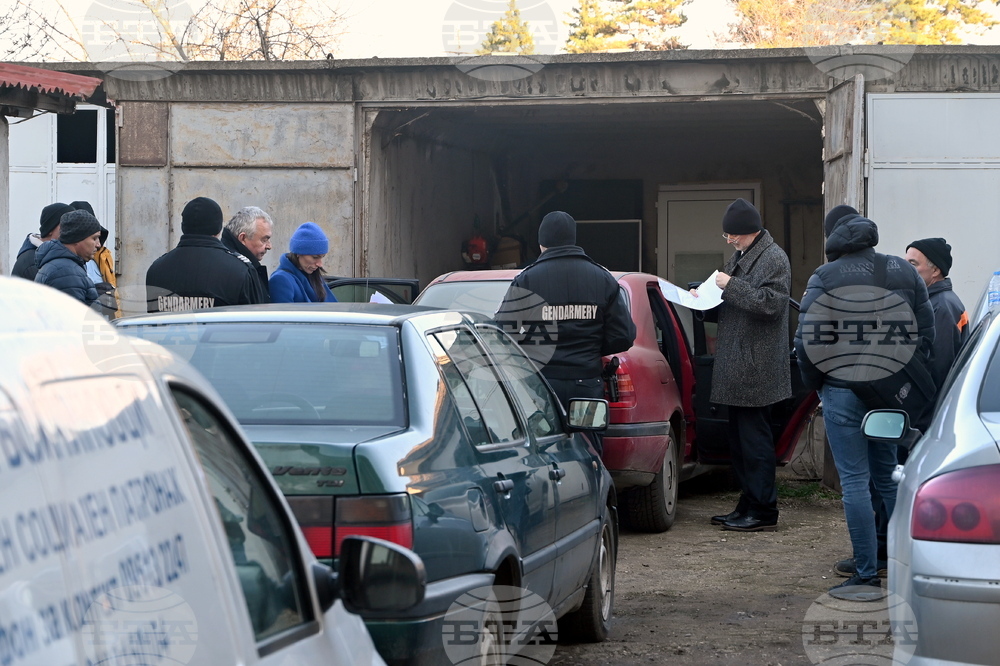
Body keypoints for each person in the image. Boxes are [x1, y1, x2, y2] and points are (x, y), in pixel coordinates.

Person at [795, 205, 934, 601]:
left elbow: (808, 342)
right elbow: (926, 333)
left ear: (834, 240)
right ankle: (911, 564)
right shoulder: (902, 270)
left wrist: (818, 386)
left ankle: (866, 574)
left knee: (855, 482)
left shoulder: (825, 277)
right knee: (887, 475)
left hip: (842, 391)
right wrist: (901, 376)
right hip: (888, 394)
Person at [696, 199, 791, 534]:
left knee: (755, 444)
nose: (729, 240)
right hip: (739, 364)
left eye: (731, 235)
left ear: (748, 231)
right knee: (740, 443)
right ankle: (749, 503)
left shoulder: (774, 258)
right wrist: (702, 300)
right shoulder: (743, 256)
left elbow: (771, 305)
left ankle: (763, 509)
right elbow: (735, 302)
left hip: (756, 367)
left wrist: (730, 286)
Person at [495, 210, 635, 421]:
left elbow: (502, 331)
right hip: (587, 383)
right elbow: (623, 336)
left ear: (541, 243)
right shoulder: (603, 279)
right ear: (573, 239)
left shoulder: (527, 280)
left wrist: (530, 350)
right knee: (588, 437)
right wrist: (591, 349)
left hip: (542, 386)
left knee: (546, 439)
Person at [146, 197, 265, 313]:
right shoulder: (240, 270)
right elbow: (255, 321)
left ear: (183, 226)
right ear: (219, 229)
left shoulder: (156, 269)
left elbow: (154, 320)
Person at [905, 238, 970, 412]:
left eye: (913, 264)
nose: (906, 269)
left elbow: (937, 370)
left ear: (935, 270)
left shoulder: (941, 307)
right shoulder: (933, 302)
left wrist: (921, 418)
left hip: (929, 413)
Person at [33, 209, 102, 306]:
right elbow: (74, 314)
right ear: (77, 238)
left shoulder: (63, 266)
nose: (98, 244)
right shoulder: (66, 272)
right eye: (94, 238)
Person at [70, 201, 120, 319]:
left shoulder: (103, 256)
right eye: (93, 237)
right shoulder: (67, 264)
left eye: (98, 237)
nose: (97, 244)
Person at [269, 222, 337, 303]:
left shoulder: (313, 276)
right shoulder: (280, 280)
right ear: (298, 253)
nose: (320, 264)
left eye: (322, 257)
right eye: (315, 257)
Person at [11, 202, 75, 281]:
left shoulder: (49, 255)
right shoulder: (33, 262)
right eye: (66, 225)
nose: (72, 230)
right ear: (50, 229)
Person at [223, 206, 274, 303]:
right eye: (264, 240)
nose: (269, 246)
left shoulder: (240, 267)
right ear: (243, 238)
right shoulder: (240, 272)